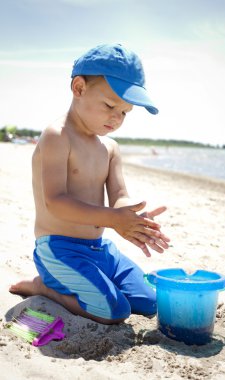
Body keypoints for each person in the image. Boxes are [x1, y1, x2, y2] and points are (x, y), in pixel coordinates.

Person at [10, 44, 170, 324]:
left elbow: (119, 195)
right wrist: (112, 218)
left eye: (125, 112)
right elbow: (56, 201)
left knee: (150, 302)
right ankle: (43, 287)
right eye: (110, 106)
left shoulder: (110, 148)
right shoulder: (57, 136)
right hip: (59, 250)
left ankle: (95, 282)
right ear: (79, 88)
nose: (116, 118)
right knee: (114, 311)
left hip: (99, 249)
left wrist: (130, 216)